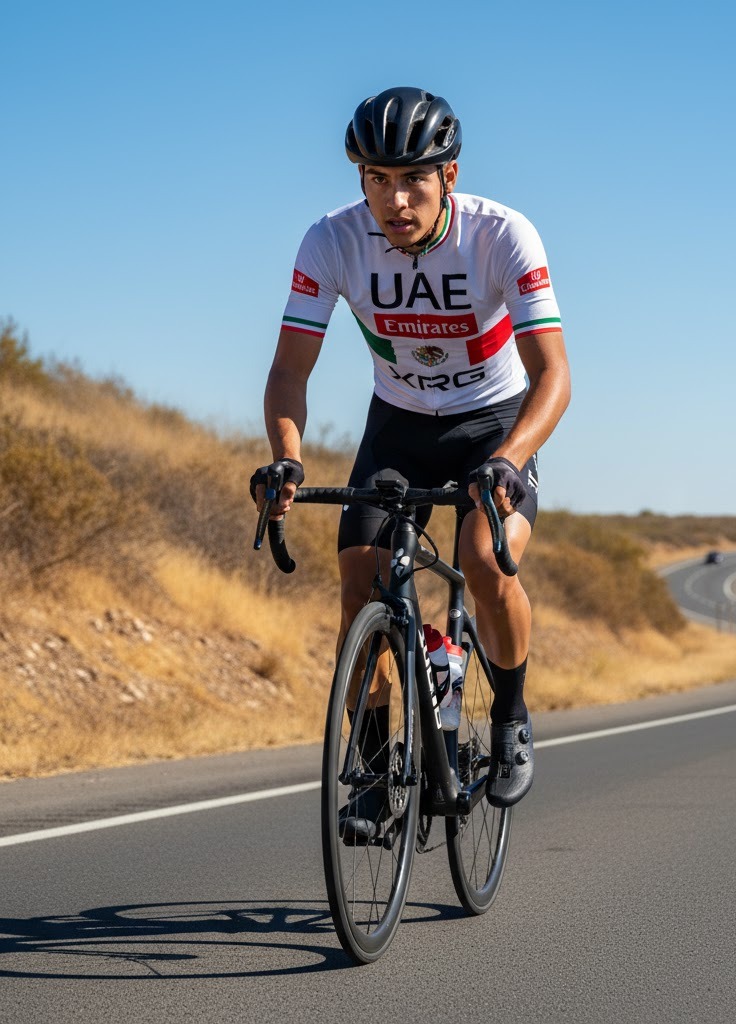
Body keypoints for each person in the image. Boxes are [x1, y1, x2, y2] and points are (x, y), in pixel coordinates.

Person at [251, 87, 570, 819]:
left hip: (491, 427)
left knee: (487, 563)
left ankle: (512, 718)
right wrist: (287, 458)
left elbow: (554, 376)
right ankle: (368, 773)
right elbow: (288, 372)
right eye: (376, 180)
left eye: (413, 180)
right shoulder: (330, 241)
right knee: (360, 587)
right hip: (396, 426)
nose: (395, 200)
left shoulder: (502, 235)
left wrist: (512, 456)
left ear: (448, 177)